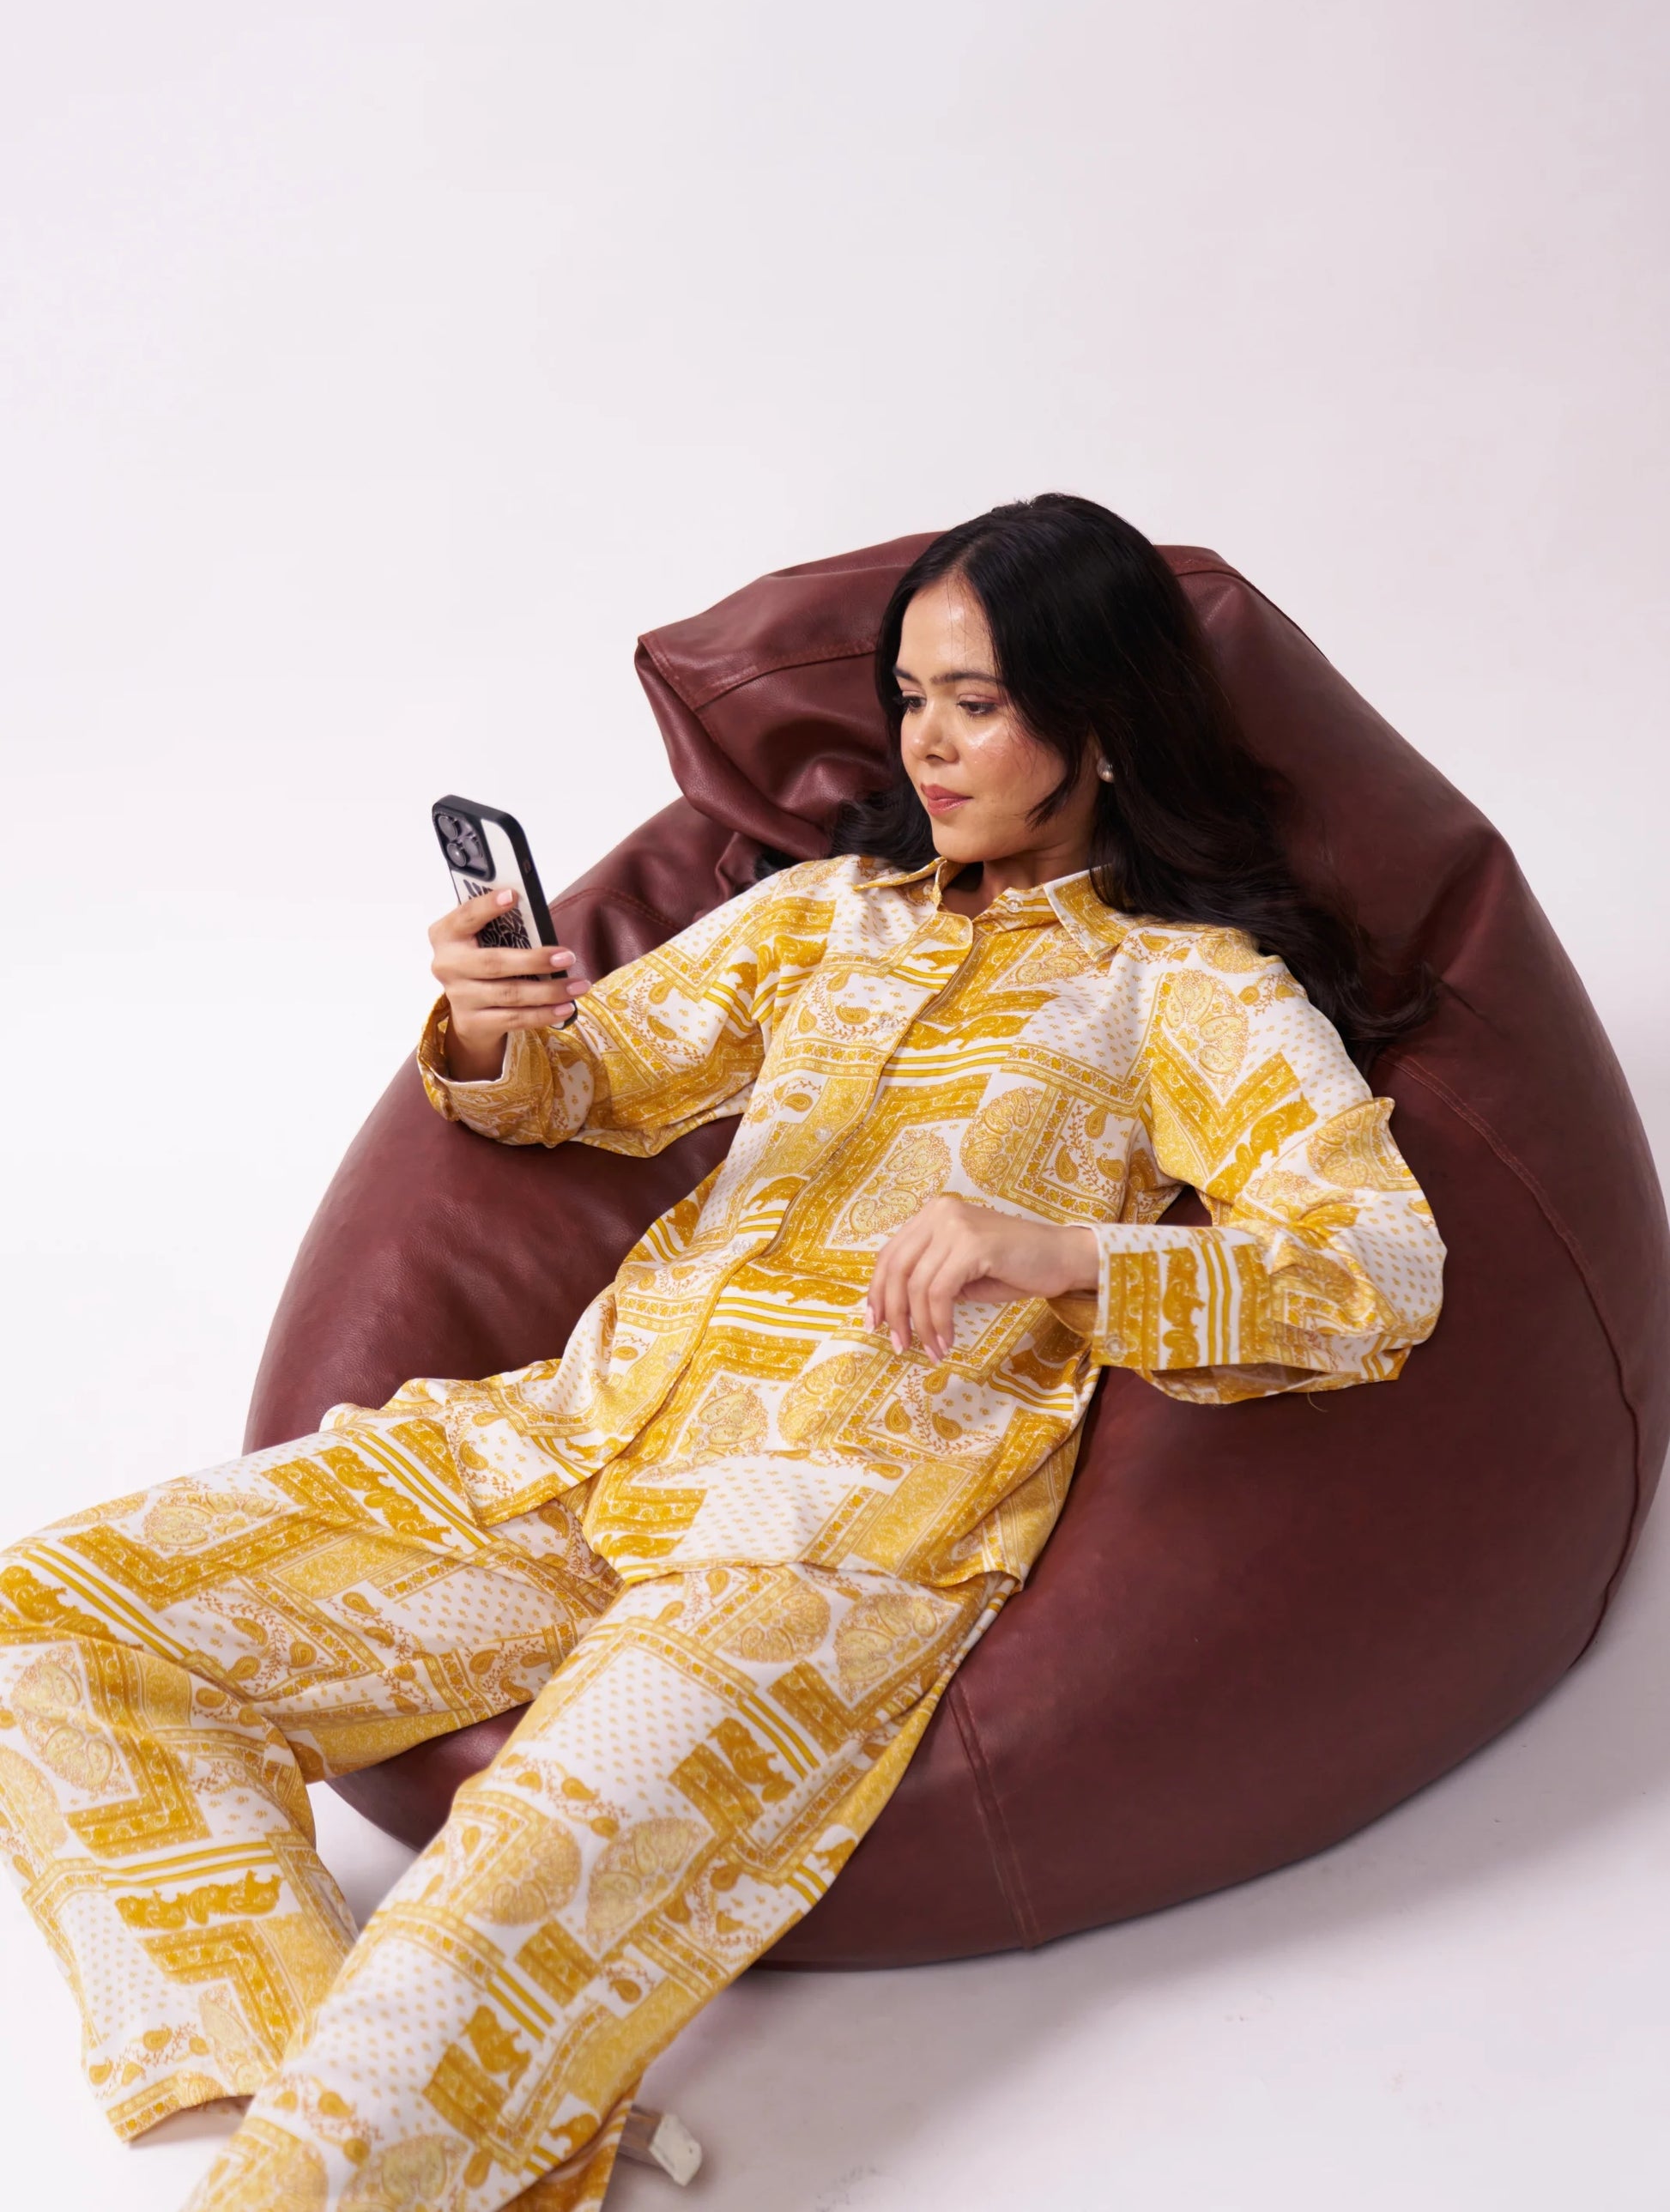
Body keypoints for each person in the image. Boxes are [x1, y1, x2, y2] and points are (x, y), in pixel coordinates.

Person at [0, 496, 1443, 2211]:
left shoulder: (1186, 988)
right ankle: (342, 2088)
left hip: (808, 1552)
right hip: (566, 1449)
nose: (926, 742)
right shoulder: (825, 913)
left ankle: (386, 2128)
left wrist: (1064, 1252)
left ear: (1103, 722)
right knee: (51, 1615)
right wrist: (492, 1021)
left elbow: (1378, 1268)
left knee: (471, 1923)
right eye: (909, 697)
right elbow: (588, 1084)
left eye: (977, 702)